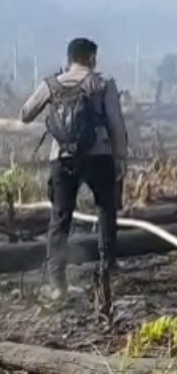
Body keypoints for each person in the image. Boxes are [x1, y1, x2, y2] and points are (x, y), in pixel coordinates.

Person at [18, 37, 128, 302]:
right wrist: (120, 157)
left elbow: (25, 114)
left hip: (62, 157)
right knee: (105, 209)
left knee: (60, 218)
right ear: (91, 58)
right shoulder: (102, 83)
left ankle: (57, 282)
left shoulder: (51, 84)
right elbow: (115, 122)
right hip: (99, 155)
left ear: (69, 59)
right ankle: (107, 268)